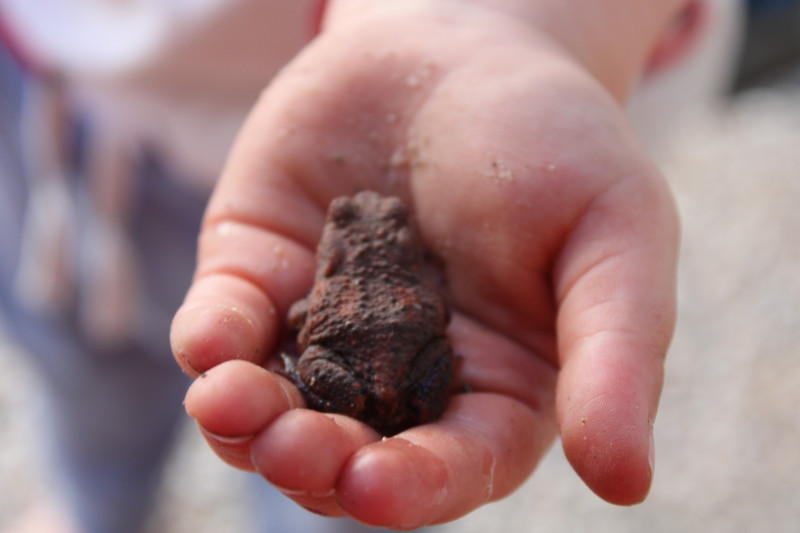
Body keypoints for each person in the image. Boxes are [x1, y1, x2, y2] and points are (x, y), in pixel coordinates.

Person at [0, 0, 738, 531]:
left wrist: (505, 21)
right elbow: (434, 321)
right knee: (90, 387)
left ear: (335, 251)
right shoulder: (411, 275)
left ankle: (104, 499)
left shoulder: (324, 286)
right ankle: (95, 505)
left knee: (329, 478)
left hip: (346, 359)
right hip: (66, 109)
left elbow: (302, 321)